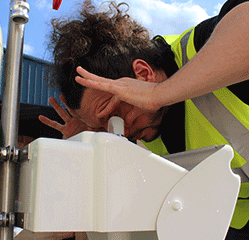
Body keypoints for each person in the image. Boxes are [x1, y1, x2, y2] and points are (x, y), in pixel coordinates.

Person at [38, 0, 249, 239]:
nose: (120, 132)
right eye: (101, 127)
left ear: (144, 74)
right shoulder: (138, 128)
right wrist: (87, 151)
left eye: (113, 114)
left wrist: (156, 94)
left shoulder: (199, 49)